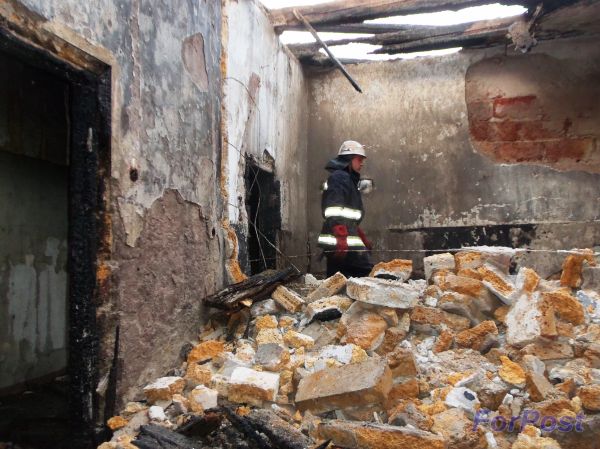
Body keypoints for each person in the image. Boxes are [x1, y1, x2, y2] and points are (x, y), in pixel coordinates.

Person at [318, 140, 374, 277]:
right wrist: (341, 235)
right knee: (366, 273)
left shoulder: (347, 179)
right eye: (359, 159)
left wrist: (358, 232)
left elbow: (347, 214)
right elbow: (334, 208)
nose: (362, 163)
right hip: (341, 240)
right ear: (349, 159)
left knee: (337, 278)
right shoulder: (340, 177)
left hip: (342, 238)